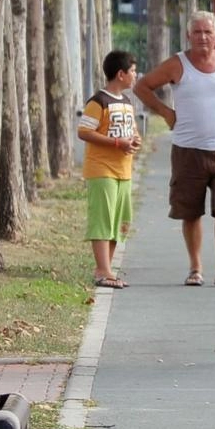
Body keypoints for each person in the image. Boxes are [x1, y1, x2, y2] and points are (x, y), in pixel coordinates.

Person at [134, 10, 215, 287]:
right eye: (197, 32)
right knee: (191, 212)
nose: (203, 37)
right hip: (188, 150)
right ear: (189, 35)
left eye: (208, 32)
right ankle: (195, 268)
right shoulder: (177, 64)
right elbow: (142, 87)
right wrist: (165, 112)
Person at [78, 50, 142, 289]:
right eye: (133, 71)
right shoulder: (98, 102)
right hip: (101, 169)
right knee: (102, 220)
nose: (135, 75)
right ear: (121, 74)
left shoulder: (126, 102)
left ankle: (106, 268)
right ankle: (103, 271)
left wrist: (134, 140)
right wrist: (116, 143)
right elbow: (84, 131)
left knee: (119, 222)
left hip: (123, 171)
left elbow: (132, 131)